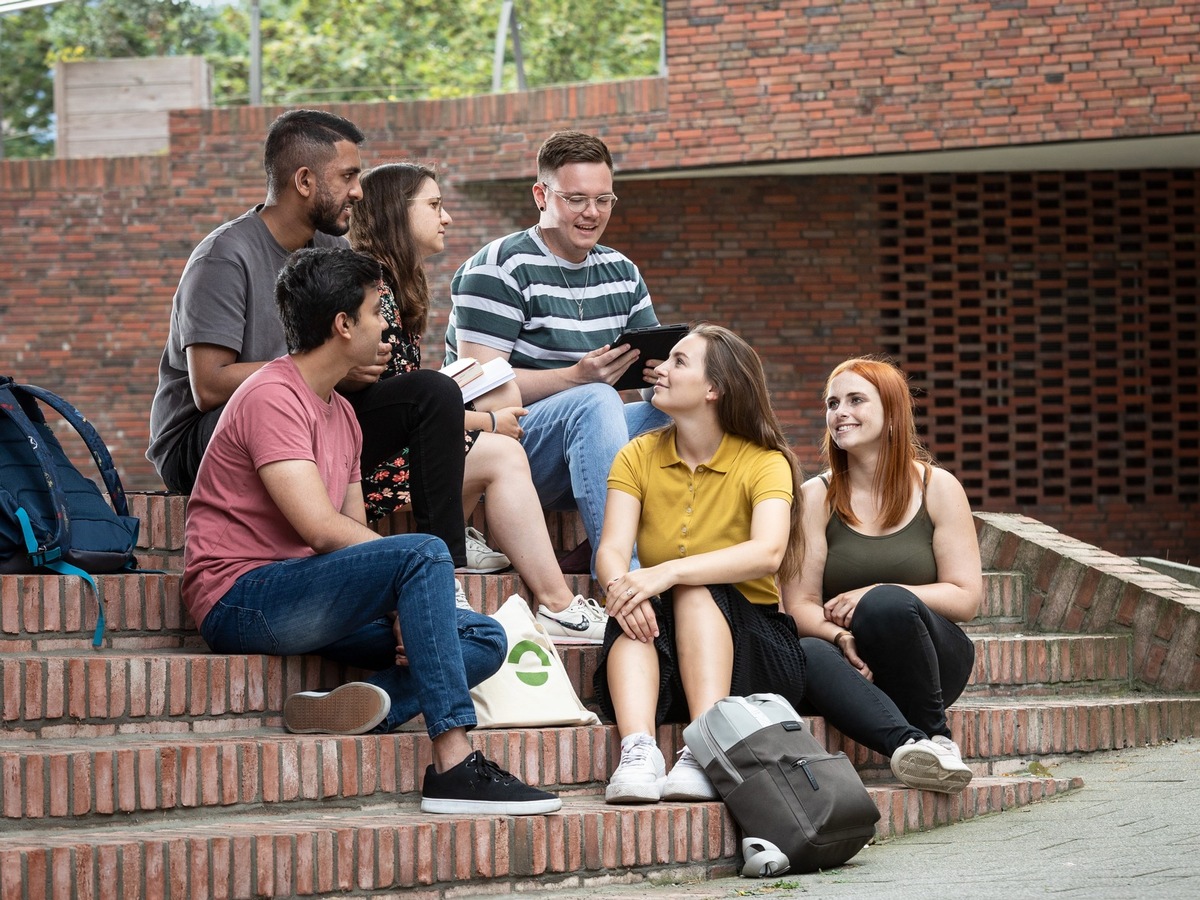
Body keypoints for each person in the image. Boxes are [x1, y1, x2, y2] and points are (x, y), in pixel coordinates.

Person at [182, 246, 560, 815]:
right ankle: (455, 765)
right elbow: (321, 528)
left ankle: (359, 704)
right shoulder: (271, 397)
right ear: (342, 325)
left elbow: (356, 534)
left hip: (308, 593)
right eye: (376, 312)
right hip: (243, 598)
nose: (386, 325)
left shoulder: (339, 413)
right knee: (426, 552)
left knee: (483, 639)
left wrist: (398, 608)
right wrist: (404, 591)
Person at [147, 108, 487, 571]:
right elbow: (208, 385)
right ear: (304, 181)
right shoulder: (225, 258)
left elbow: (327, 363)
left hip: (307, 421)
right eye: (348, 176)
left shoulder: (331, 250)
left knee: (432, 394)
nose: (358, 191)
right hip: (205, 439)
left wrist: (355, 366)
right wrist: (327, 366)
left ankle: (446, 565)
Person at [346, 162, 607, 641]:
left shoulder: (394, 287)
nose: (446, 218)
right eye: (434, 206)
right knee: (503, 447)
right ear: (394, 214)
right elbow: (386, 408)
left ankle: (472, 535)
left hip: (394, 444)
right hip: (360, 467)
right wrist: (483, 422)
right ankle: (558, 603)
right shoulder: (369, 291)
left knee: (495, 386)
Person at [592, 323, 807, 804]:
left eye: (678, 362)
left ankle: (707, 747)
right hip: (664, 646)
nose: (661, 370)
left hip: (755, 648)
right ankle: (639, 750)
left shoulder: (764, 461)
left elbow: (768, 551)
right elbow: (610, 549)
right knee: (632, 601)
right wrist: (620, 587)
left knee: (690, 588)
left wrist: (668, 572)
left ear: (714, 389)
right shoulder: (637, 455)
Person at [446, 130, 670, 576]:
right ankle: (622, 577)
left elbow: (649, 390)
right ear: (540, 195)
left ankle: (670, 553)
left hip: (593, 446)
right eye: (576, 199)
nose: (592, 213)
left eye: (604, 200)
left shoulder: (623, 272)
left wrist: (669, 378)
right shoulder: (499, 267)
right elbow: (480, 392)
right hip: (512, 448)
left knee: (688, 410)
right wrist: (577, 377)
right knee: (596, 399)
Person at [780, 355, 981, 793]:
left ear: (892, 416)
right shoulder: (815, 496)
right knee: (806, 653)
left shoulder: (938, 487)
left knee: (886, 603)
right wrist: (840, 638)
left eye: (856, 400)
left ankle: (938, 737)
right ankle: (910, 748)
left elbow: (966, 598)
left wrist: (877, 589)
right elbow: (798, 606)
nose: (840, 413)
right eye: (833, 403)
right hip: (857, 667)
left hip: (928, 660)